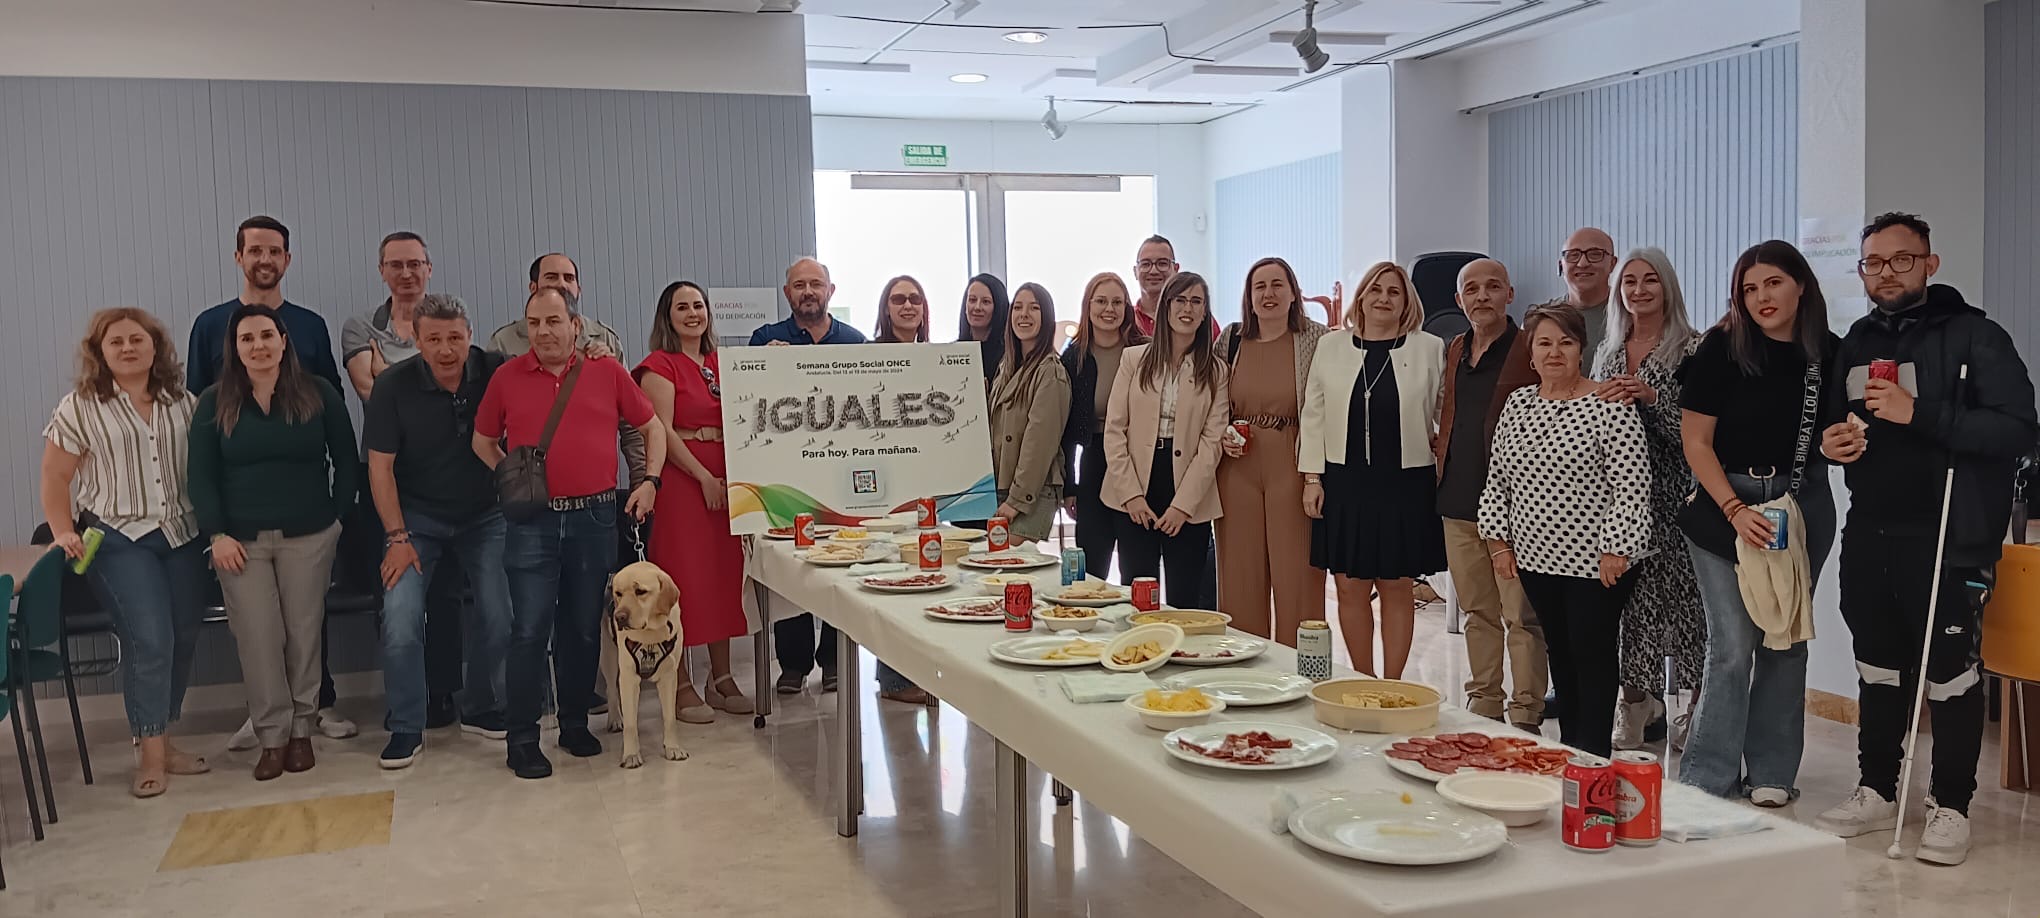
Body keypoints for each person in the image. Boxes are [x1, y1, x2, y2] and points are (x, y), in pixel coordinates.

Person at [1812, 212, 2037, 866]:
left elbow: (2019, 431)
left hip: (1951, 532)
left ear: (1930, 264)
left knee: (1950, 670)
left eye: (1901, 261)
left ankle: (1951, 804)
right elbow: (1839, 422)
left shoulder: (1976, 336)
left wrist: (1924, 415)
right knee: (1878, 663)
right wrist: (1836, 445)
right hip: (1871, 530)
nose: (1886, 274)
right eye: (1873, 263)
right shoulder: (1855, 339)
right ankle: (1877, 788)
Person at [473, 287, 665, 780]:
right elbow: (483, 440)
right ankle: (522, 738)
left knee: (582, 629)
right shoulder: (506, 377)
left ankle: (575, 725)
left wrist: (649, 483)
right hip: (532, 521)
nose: (544, 331)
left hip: (596, 516)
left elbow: (652, 429)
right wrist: (513, 477)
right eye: (534, 322)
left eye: (554, 321)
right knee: (530, 630)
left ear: (576, 326)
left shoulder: (606, 371)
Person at [1677, 240, 1838, 807]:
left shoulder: (1829, 354)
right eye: (1749, 288)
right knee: (1732, 646)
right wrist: (1735, 510)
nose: (1761, 297)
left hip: (1799, 506)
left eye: (1772, 283)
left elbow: (1837, 437)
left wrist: (1844, 445)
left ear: (1800, 285)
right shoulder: (1722, 348)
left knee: (1785, 640)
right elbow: (1695, 442)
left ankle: (1772, 770)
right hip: (1726, 506)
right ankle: (1706, 776)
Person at [188, 215, 356, 746]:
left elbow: (335, 423)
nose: (265, 259)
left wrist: (334, 514)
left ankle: (310, 712)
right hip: (241, 529)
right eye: (254, 250)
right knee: (258, 633)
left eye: (275, 251)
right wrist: (215, 529)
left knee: (306, 626)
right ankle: (268, 720)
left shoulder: (310, 326)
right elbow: (198, 422)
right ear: (239, 257)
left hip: (307, 521)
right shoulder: (210, 326)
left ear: (287, 258)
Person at [39, 309, 210, 797]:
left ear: (156, 348)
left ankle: (163, 736)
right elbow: (55, 476)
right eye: (117, 342)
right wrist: (60, 530)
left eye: (138, 339)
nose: (129, 348)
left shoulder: (183, 401)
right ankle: (150, 756)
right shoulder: (80, 405)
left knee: (182, 634)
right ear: (100, 352)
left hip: (181, 534)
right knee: (149, 640)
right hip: (117, 539)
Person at [1479, 305, 1651, 758]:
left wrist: (1617, 548)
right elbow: (1498, 479)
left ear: (1581, 349)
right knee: (1560, 655)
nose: (1555, 352)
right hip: (1536, 559)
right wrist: (1498, 543)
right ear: (1531, 355)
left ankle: (1593, 756)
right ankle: (1570, 752)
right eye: (1544, 343)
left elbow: (1631, 485)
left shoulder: (1609, 404)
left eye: (1566, 342)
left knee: (1591, 658)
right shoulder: (1518, 403)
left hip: (1597, 564)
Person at [362, 296, 514, 769]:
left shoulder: (497, 371)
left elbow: (550, 372)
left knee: (499, 612)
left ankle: (484, 705)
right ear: (416, 339)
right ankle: (407, 724)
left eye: (455, 337)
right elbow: (380, 469)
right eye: (434, 339)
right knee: (402, 616)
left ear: (470, 333)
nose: (446, 349)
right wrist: (397, 538)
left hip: (486, 513)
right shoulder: (391, 386)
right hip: (416, 520)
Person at [343, 231, 472, 731]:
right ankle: (404, 706)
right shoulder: (360, 326)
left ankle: (443, 693)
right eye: (396, 264)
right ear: (382, 271)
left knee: (445, 597)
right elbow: (372, 391)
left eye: (415, 263)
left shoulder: (446, 319)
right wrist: (408, 382)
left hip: (448, 477)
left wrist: (392, 374)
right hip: (387, 481)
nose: (406, 273)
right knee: (397, 596)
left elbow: (410, 381)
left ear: (429, 267)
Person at [1299, 262, 1445, 677]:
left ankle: (1393, 683)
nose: (1383, 298)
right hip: (1346, 481)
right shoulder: (1331, 346)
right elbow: (1314, 413)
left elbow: (1443, 412)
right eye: (1375, 290)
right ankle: (1361, 676)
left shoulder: (1429, 348)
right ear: (1361, 297)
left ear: (1406, 302)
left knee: (1397, 585)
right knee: (1349, 584)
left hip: (1405, 482)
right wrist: (1312, 477)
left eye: (1394, 292)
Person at [1591, 247, 1705, 750]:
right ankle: (1636, 702)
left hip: (1682, 496)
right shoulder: (1608, 351)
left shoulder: (1693, 349)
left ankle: (1696, 709)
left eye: (1649, 281)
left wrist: (1654, 400)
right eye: (1630, 282)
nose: (1638, 290)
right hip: (1625, 502)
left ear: (1668, 288)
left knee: (1690, 608)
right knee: (1632, 607)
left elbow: (1704, 433)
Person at [1435, 259, 1549, 730]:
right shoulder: (1456, 348)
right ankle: (1483, 701)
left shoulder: (1530, 347)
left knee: (1521, 616)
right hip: (1458, 499)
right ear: (1459, 300)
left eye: (1492, 287)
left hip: (1516, 506)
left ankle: (1525, 712)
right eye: (1471, 289)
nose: (1481, 297)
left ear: (1510, 293)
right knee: (1477, 613)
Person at [635, 281, 754, 721]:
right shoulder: (658, 366)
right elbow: (661, 429)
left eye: (699, 305)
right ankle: (680, 682)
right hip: (685, 480)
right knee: (682, 578)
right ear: (667, 316)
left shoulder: (723, 364)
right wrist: (702, 476)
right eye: (681, 307)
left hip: (728, 481)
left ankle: (721, 678)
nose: (692, 313)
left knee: (723, 576)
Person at [751, 257, 866, 694]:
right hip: (787, 478)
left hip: (842, 475)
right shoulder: (765, 339)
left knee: (843, 566)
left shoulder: (854, 342)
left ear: (830, 291)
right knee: (794, 569)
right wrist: (764, 364)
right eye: (799, 285)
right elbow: (751, 403)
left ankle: (835, 660)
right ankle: (793, 664)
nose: (808, 292)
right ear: (787, 294)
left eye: (815, 284)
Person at [1216, 257, 1329, 643]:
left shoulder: (1317, 338)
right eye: (1259, 286)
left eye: (1277, 284)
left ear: (1293, 291)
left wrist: (1315, 474)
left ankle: (1302, 666)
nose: (1268, 294)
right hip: (1238, 464)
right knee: (1240, 574)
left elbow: (1327, 405)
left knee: (1297, 574)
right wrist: (1222, 432)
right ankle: (1245, 671)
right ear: (1248, 296)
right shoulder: (1230, 339)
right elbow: (1210, 401)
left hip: (1293, 463)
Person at [1103, 272, 1227, 606]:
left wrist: (1183, 506)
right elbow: (1115, 430)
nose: (1187, 309)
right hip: (1135, 487)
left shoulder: (1216, 371)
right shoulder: (1134, 359)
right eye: (1180, 300)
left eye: (1196, 301)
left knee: (1186, 597)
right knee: (1138, 594)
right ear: (1166, 307)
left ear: (1205, 313)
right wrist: (1130, 495)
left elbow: (1211, 444)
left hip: (1188, 489)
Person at [863, 276, 941, 706]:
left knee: (926, 580)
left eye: (915, 299)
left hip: (927, 489)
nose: (907, 306)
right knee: (892, 583)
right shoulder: (867, 356)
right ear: (886, 308)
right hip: (882, 488)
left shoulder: (937, 358)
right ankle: (893, 680)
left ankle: (920, 673)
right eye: (898, 299)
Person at [1060, 273, 1147, 580]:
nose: (1109, 309)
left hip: (1137, 463)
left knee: (1137, 565)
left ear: (1127, 307)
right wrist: (1070, 486)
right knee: (1092, 564)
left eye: (1117, 302)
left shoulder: (1145, 352)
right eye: (1101, 301)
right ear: (1088, 306)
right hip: (1095, 462)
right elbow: (1066, 430)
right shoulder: (1074, 356)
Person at [989, 282, 1072, 544]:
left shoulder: (1050, 371)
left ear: (1046, 317)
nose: (1024, 314)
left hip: (1029, 496)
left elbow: (1039, 444)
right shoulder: (1007, 367)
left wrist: (1016, 500)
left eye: (1034, 308)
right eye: (1018, 307)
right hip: (1001, 488)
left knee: (1010, 571)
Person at [486, 253, 625, 356]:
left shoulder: (605, 338)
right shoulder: (504, 341)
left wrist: (611, 368)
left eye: (569, 278)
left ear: (579, 290)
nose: (562, 284)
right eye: (551, 277)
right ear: (533, 288)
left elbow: (624, 393)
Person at [1532, 226, 1617, 360]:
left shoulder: (1631, 314)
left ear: (1612, 264)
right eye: (1573, 255)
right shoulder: (1542, 318)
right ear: (1561, 265)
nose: (1582, 263)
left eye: (1595, 254)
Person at [958, 273, 1009, 381]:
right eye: (972, 300)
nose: (977, 307)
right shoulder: (952, 351)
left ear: (998, 307)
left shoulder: (1009, 355)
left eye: (986, 302)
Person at [1130, 235, 1179, 338]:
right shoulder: (1125, 320)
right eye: (1146, 264)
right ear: (1135, 271)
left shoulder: (1193, 317)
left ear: (1175, 269)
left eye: (1162, 263)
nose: (1153, 271)